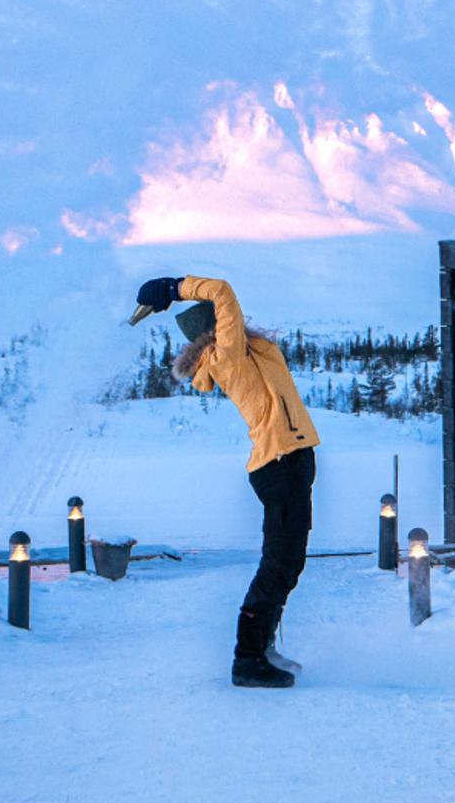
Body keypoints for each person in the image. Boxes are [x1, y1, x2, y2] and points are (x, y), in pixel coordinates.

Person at [130, 274, 319, 689]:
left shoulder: (250, 353)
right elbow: (223, 290)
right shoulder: (228, 354)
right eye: (226, 320)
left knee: (288, 565)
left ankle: (262, 649)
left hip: (289, 461)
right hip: (280, 463)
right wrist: (174, 288)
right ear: (215, 329)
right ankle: (248, 659)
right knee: (277, 566)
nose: (237, 321)